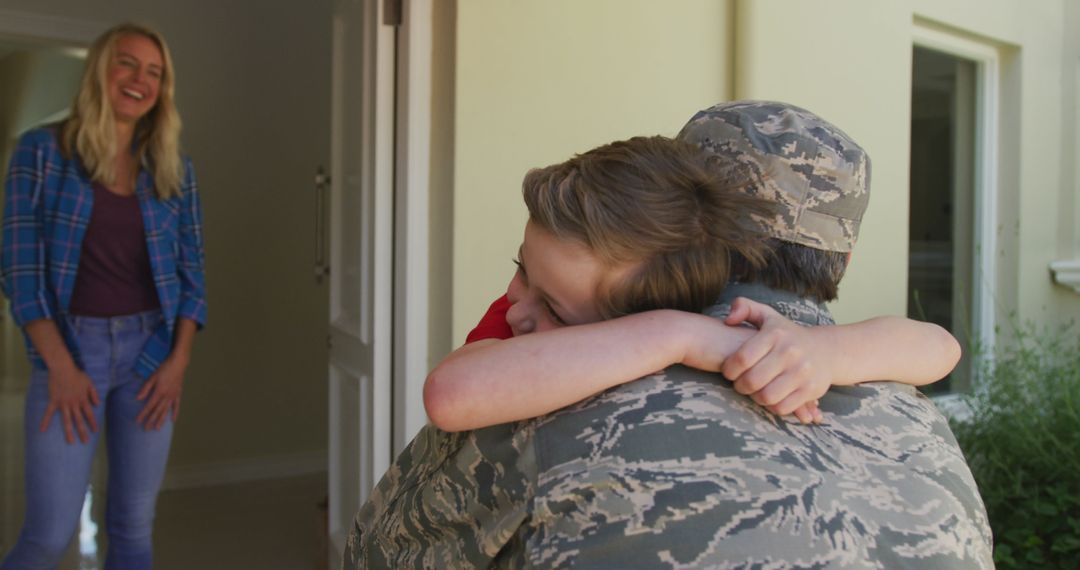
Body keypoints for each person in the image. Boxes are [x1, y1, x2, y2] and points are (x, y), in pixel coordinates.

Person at [343, 102, 992, 568]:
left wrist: (826, 351)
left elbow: (381, 551)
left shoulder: (556, 394)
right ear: (844, 263)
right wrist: (682, 336)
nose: (520, 309)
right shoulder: (921, 429)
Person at [0, 22, 205, 569]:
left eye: (155, 72)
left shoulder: (174, 168)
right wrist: (61, 365)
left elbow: (193, 278)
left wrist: (178, 362)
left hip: (151, 357)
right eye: (127, 63)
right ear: (100, 70)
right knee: (48, 534)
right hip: (71, 354)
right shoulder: (41, 152)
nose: (141, 80)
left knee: (133, 528)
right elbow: (20, 273)